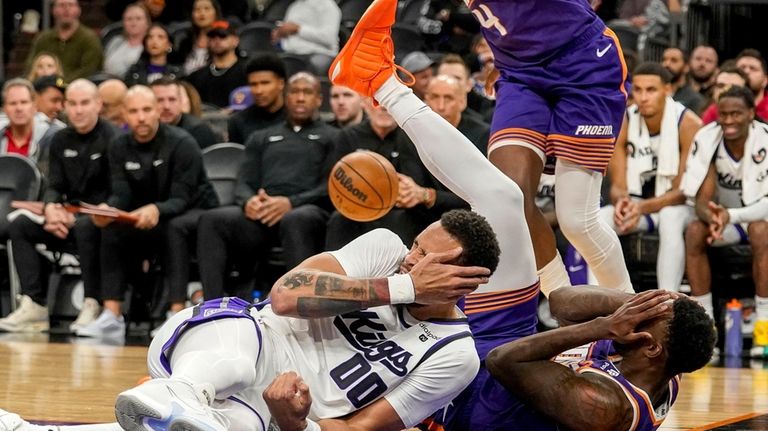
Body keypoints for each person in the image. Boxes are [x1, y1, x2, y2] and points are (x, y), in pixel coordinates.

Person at [451, 0, 634, 298]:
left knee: (577, 221)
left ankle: (633, 312)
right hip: (519, 72)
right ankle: (567, 314)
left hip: (583, 64)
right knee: (508, 200)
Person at [76, 85, 219, 338]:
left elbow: (182, 197)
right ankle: (112, 315)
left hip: (194, 211)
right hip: (146, 214)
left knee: (174, 226)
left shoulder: (182, 143)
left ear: (157, 112)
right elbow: (121, 192)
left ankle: (175, 313)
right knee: (109, 225)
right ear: (124, 115)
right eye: (133, 111)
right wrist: (110, 209)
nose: (140, 117)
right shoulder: (119, 145)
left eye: (146, 110)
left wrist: (156, 208)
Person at [486, 286, 716, 430]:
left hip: (478, 409)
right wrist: (635, 300)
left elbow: (500, 360)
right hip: (495, 359)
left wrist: (602, 327)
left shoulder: (604, 406)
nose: (635, 315)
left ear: (652, 348)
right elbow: (559, 300)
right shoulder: (658, 362)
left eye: (648, 316)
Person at [197, 72, 337, 300]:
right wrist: (248, 202)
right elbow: (244, 181)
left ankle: (301, 304)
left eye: (307, 92)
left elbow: (330, 188)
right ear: (285, 96)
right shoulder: (261, 137)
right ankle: (212, 303)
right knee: (212, 219)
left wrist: (291, 203)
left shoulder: (334, 137)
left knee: (297, 218)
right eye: (294, 92)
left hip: (308, 213)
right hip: (263, 215)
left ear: (319, 100)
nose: (300, 98)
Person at [0, 79, 119, 334]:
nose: (78, 110)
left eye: (85, 103)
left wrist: (82, 213)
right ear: (65, 106)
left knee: (88, 225)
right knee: (19, 223)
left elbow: (118, 192)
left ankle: (92, 301)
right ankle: (35, 305)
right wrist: (52, 207)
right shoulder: (59, 139)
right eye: (72, 104)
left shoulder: (114, 139)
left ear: (98, 104)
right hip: (66, 217)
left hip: (101, 218)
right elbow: (54, 184)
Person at [680, 86, 768, 347]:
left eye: (736, 114)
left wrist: (731, 215)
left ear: (751, 113)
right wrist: (713, 217)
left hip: (755, 220)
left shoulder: (765, 139)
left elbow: (766, 206)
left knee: (760, 230)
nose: (728, 120)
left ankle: (764, 319)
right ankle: (705, 323)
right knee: (695, 230)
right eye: (724, 114)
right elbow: (700, 200)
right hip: (725, 222)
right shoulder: (708, 138)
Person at [601, 62, 701, 292]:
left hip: (680, 206)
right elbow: (618, 185)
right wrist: (622, 202)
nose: (643, 97)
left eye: (651, 90)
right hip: (641, 206)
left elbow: (682, 192)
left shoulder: (689, 123)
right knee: (597, 220)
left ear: (668, 90)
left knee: (670, 217)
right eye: (638, 89)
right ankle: (603, 302)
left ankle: (668, 299)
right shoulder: (623, 120)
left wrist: (642, 207)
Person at [25, 0, 103, 82]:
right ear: (53, 10)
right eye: (61, 5)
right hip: (44, 88)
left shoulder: (89, 39)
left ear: (79, 10)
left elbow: (89, 71)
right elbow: (31, 66)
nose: (66, 9)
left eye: (71, 5)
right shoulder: (43, 39)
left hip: (79, 89)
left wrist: (60, 84)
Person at [184, 18, 248, 108]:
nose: (217, 40)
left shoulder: (247, 71)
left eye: (223, 36)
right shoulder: (197, 77)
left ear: (235, 41)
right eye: (212, 37)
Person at [227, 54, 287, 145]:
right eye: (253, 84)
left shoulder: (298, 118)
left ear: (281, 84)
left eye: (265, 83)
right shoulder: (238, 122)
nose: (258, 91)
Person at [424, 74, 490, 153]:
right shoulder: (414, 132)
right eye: (434, 97)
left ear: (462, 102)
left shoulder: (482, 135)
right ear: (426, 100)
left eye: (448, 98)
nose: (441, 106)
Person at [271, 0, 341, 73]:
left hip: (319, 53)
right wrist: (279, 34)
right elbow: (288, 32)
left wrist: (299, 29)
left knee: (317, 63)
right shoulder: (295, 6)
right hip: (291, 52)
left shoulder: (327, 5)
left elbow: (329, 38)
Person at [150, 76, 218, 149]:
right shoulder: (143, 129)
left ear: (180, 101)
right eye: (159, 100)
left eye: (172, 99)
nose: (167, 106)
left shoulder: (198, 131)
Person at [0, 79, 54, 163]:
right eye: (13, 103)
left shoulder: (52, 137)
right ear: (4, 109)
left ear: (34, 106)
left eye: (24, 102)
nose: (19, 108)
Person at [103, 2, 151, 78]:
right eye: (129, 19)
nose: (133, 23)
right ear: (123, 23)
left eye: (138, 18)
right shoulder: (115, 41)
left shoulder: (151, 45)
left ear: (147, 22)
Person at [176, 0, 223, 75]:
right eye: (197, 9)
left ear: (216, 13)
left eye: (207, 8)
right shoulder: (185, 42)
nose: (202, 13)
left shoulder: (223, 40)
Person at [662, 47, 707, 115]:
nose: (667, 64)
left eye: (674, 60)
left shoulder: (694, 99)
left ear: (686, 67)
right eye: (664, 60)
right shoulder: (656, 94)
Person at [736, 48, 768, 121]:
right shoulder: (720, 106)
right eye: (742, 68)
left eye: (753, 68)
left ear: (765, 80)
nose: (746, 72)